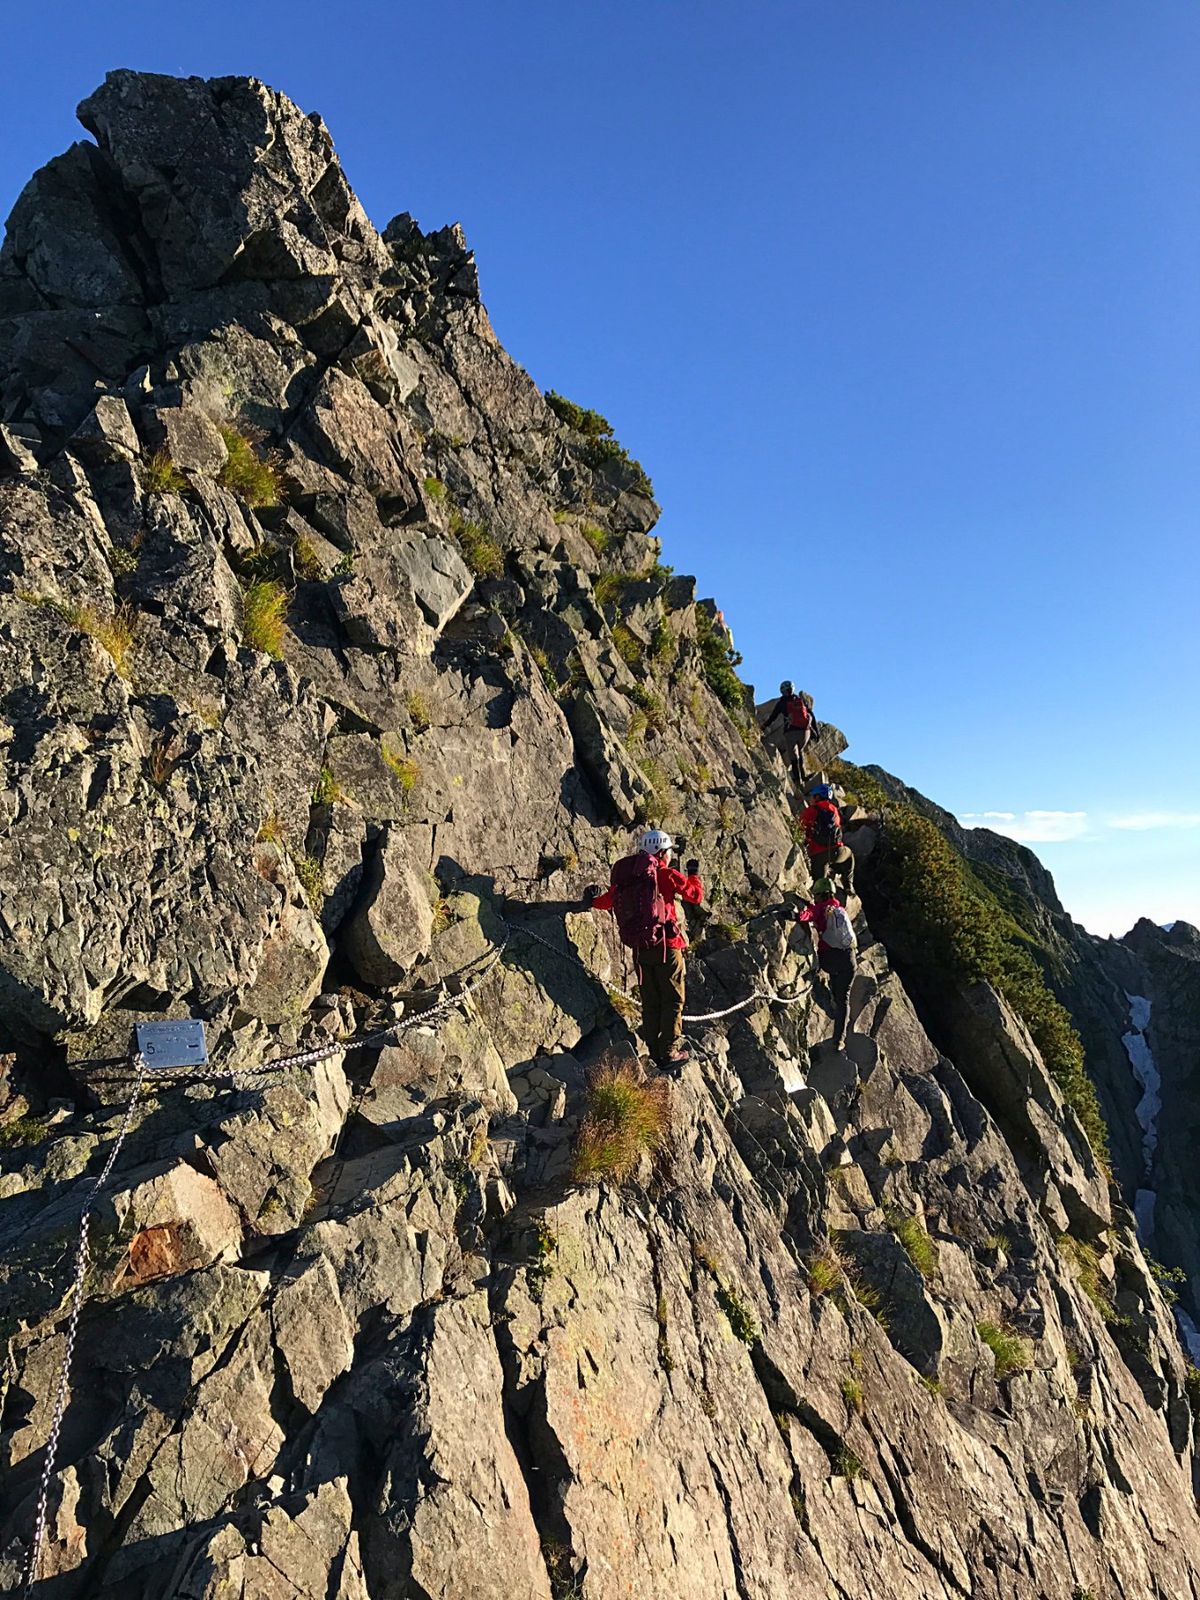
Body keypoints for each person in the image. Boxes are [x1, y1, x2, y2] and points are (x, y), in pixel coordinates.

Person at [583, 828, 703, 1069]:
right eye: (668, 851)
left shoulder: (631, 878)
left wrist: (592, 899)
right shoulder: (667, 875)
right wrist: (693, 874)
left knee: (651, 999)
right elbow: (695, 896)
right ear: (661, 852)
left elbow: (605, 902)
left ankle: (655, 1051)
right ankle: (669, 1052)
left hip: (640, 949)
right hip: (667, 946)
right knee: (672, 999)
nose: (670, 856)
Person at [793, 877, 857, 1050]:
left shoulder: (821, 908)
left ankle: (830, 997)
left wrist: (796, 915)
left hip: (829, 959)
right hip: (850, 960)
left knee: (835, 988)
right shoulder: (839, 908)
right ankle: (839, 1040)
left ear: (820, 895)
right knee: (843, 999)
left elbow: (809, 914)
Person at [799, 782, 855, 900]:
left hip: (818, 855)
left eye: (813, 796)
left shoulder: (811, 810)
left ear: (818, 796)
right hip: (837, 851)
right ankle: (848, 885)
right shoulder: (834, 810)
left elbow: (801, 828)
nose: (811, 799)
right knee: (849, 854)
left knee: (820, 889)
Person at [763, 681, 820, 784]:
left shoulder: (781, 703)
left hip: (790, 732)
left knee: (793, 756)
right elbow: (811, 715)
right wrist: (816, 731)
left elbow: (773, 717)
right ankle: (804, 776)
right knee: (800, 751)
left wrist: (764, 726)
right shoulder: (800, 700)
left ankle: (797, 780)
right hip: (804, 731)